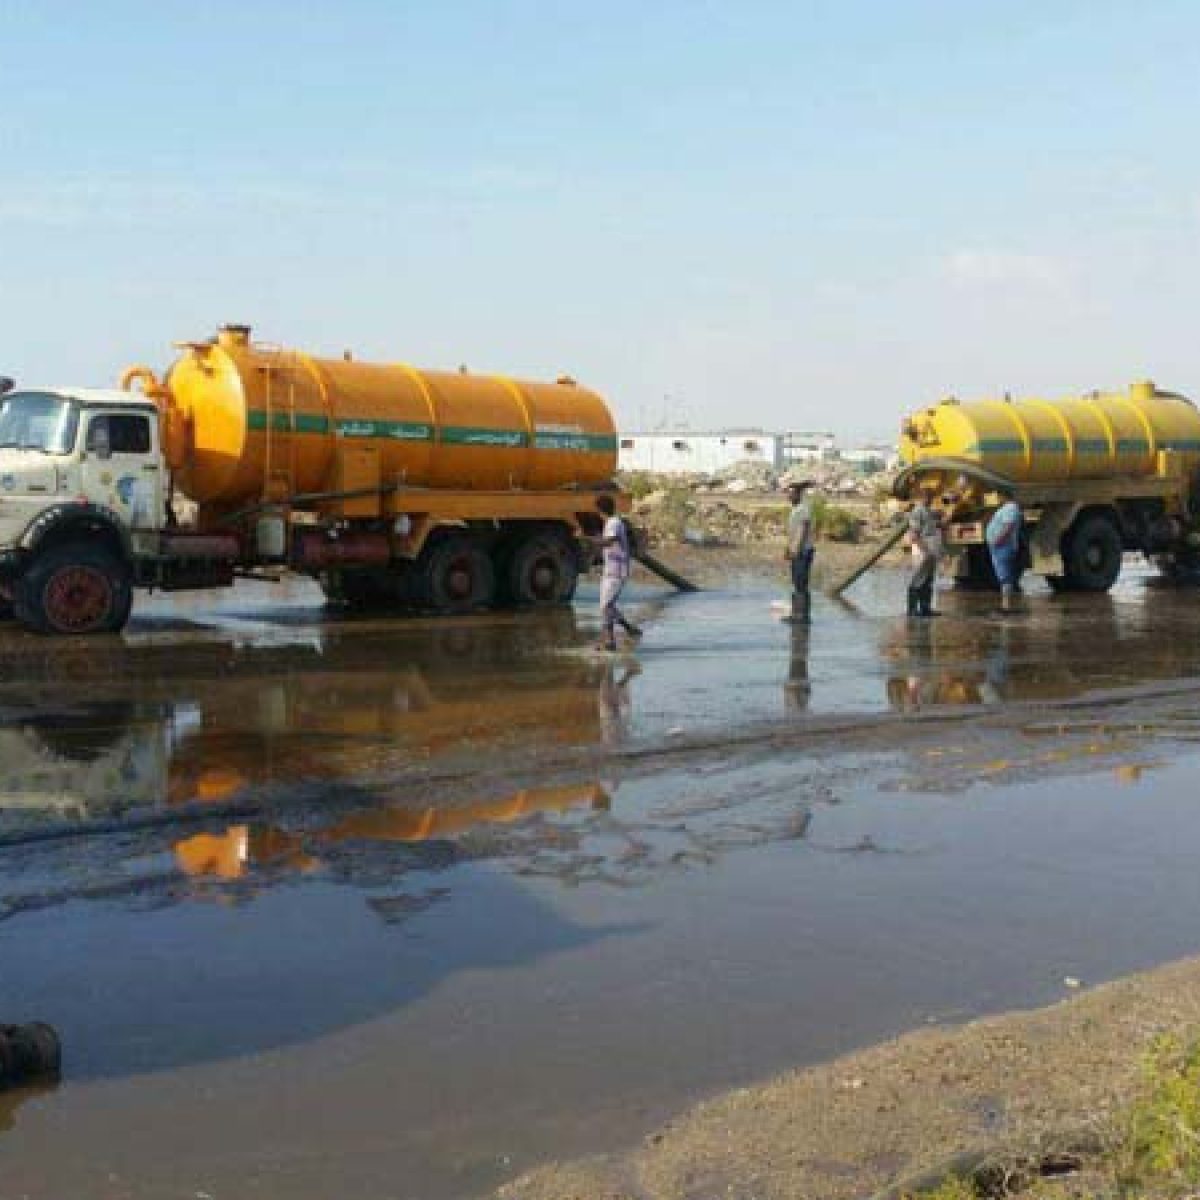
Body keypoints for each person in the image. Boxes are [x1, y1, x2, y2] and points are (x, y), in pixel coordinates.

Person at [595, 494, 642, 652]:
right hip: (610, 571)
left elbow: (610, 541)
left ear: (599, 510)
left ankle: (610, 641)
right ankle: (629, 629)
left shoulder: (613, 523)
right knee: (607, 605)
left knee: (606, 606)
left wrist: (586, 539)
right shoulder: (611, 522)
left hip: (617, 572)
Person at [905, 487, 944, 618]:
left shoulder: (927, 511)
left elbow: (930, 526)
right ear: (921, 497)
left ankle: (925, 609)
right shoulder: (917, 511)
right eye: (928, 497)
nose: (930, 499)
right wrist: (925, 550)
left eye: (931, 497)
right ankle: (912, 610)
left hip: (930, 550)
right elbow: (914, 535)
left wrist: (940, 522)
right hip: (922, 549)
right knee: (917, 579)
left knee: (927, 580)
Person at [986, 486, 1023, 614]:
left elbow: (1008, 526)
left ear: (1003, 496)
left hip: (1004, 546)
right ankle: (1005, 605)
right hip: (1001, 546)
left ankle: (1006, 606)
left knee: (1005, 576)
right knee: (1004, 575)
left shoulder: (1011, 508)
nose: (998, 499)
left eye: (999, 496)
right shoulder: (1007, 508)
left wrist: (997, 541)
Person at [783, 480, 815, 624]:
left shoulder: (803, 509)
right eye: (788, 493)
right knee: (797, 582)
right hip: (797, 550)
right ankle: (797, 614)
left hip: (803, 551)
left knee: (801, 582)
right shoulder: (795, 509)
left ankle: (802, 616)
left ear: (798, 495)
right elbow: (793, 532)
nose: (789, 496)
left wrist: (795, 549)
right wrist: (788, 549)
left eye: (792, 494)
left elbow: (803, 529)